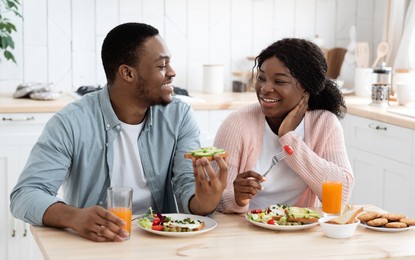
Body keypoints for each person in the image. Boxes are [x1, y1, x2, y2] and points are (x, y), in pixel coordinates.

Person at [10, 22, 227, 242]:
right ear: (127, 73)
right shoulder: (71, 122)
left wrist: (205, 200)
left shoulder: (178, 116)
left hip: (161, 240)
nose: (172, 73)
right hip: (97, 242)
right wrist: (74, 217)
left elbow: (187, 185)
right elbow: (25, 195)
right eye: (162, 66)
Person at [214, 38, 354, 213]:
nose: (265, 88)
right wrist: (237, 198)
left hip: (301, 230)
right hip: (246, 231)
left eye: (279, 82)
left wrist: (289, 138)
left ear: (305, 88)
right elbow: (215, 200)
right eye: (261, 78)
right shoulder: (237, 124)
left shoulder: (324, 124)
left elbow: (341, 196)